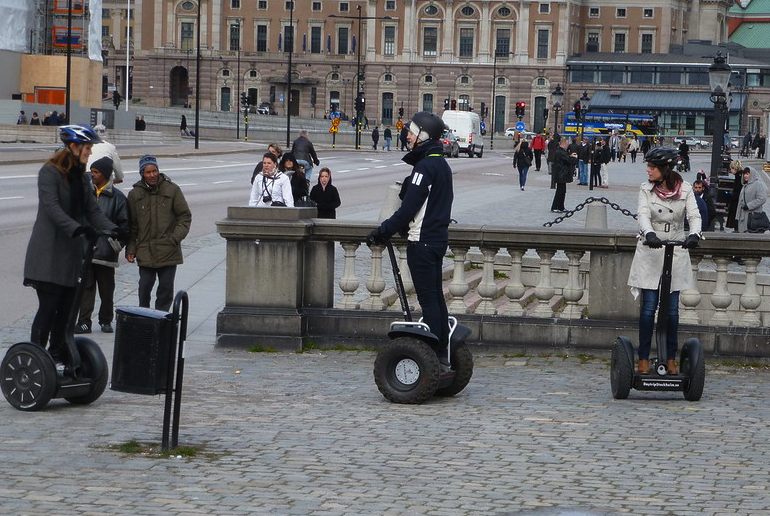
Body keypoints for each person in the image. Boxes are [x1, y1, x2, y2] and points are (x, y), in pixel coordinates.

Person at [23, 125, 117, 361]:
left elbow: (92, 210)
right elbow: (52, 208)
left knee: (66, 312)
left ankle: (56, 354)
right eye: (87, 148)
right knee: (49, 308)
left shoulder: (81, 177)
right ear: (73, 147)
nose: (89, 152)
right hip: (48, 255)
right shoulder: (49, 173)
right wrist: (77, 229)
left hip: (71, 256)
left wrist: (116, 230)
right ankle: (36, 356)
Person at [367, 112, 453, 364]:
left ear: (424, 137)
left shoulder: (425, 167)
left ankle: (434, 358)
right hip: (437, 240)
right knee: (436, 298)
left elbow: (407, 210)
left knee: (429, 300)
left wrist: (382, 231)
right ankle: (443, 352)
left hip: (422, 242)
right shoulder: (442, 165)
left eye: (413, 133)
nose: (408, 136)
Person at [627, 147, 701, 375]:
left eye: (652, 167)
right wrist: (649, 233)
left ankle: (670, 357)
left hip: (676, 249)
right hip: (651, 250)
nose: (648, 171)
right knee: (649, 308)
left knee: (672, 311)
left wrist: (694, 234)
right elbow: (642, 214)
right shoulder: (646, 189)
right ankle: (643, 358)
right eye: (648, 166)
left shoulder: (685, 189)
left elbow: (694, 215)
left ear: (665, 169)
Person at [126, 155, 192, 312]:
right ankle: (144, 317)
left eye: (154, 171)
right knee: (144, 288)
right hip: (145, 250)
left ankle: (161, 319)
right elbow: (132, 225)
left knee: (165, 290)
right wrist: (131, 248)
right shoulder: (135, 195)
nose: (152, 175)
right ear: (142, 173)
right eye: (148, 172)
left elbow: (184, 217)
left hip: (168, 250)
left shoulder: (172, 190)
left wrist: (174, 238)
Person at [74, 156, 129, 334]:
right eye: (92, 171)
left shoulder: (118, 198)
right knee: (86, 288)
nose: (93, 175)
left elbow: (125, 226)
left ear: (105, 174)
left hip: (106, 252)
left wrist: (116, 244)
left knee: (107, 290)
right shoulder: (85, 193)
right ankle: (84, 321)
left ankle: (106, 320)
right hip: (85, 250)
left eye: (96, 172)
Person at [736, 167, 768, 233]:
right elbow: (740, 202)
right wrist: (737, 216)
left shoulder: (757, 184)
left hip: (753, 217)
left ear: (752, 174)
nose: (745, 176)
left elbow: (762, 198)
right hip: (743, 217)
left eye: (747, 174)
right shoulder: (745, 185)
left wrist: (749, 206)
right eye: (744, 174)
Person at [550, 135, 574, 213]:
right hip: (561, 174)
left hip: (561, 174)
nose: (567, 146)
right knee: (560, 191)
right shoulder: (560, 152)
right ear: (563, 144)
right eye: (567, 144)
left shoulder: (561, 151)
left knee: (562, 191)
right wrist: (573, 157)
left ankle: (561, 207)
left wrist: (570, 156)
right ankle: (555, 207)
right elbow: (568, 161)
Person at [726, 159, 744, 231]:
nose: (730, 170)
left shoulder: (738, 176)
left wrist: (731, 196)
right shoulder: (740, 175)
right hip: (737, 199)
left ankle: (736, 228)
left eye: (731, 169)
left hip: (737, 201)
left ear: (734, 168)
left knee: (735, 215)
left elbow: (737, 190)